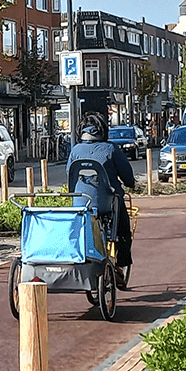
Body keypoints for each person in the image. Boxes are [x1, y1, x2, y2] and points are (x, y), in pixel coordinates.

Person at [67, 115, 137, 269]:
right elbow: (126, 175)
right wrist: (131, 183)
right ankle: (120, 265)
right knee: (124, 231)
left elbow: (69, 174)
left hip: (80, 205)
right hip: (108, 204)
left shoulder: (75, 150)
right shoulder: (111, 149)